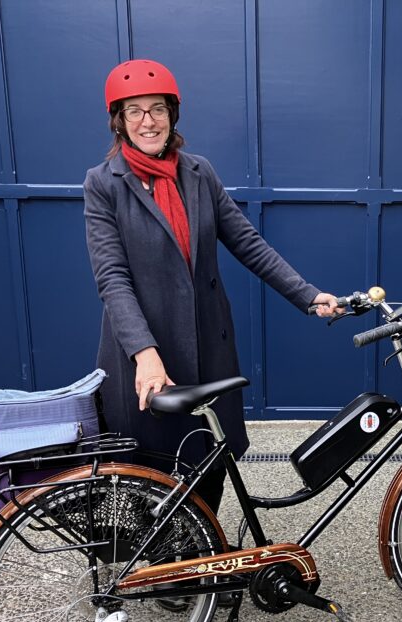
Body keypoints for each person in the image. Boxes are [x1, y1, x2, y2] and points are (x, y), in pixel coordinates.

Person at [84, 59, 340, 513]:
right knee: (152, 472)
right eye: (135, 111)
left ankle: (205, 562)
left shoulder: (199, 173)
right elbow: (112, 278)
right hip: (148, 352)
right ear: (119, 121)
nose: (148, 121)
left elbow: (247, 242)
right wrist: (144, 354)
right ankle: (159, 573)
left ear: (173, 114)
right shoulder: (104, 185)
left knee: (210, 462)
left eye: (158, 109)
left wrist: (307, 294)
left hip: (208, 346)